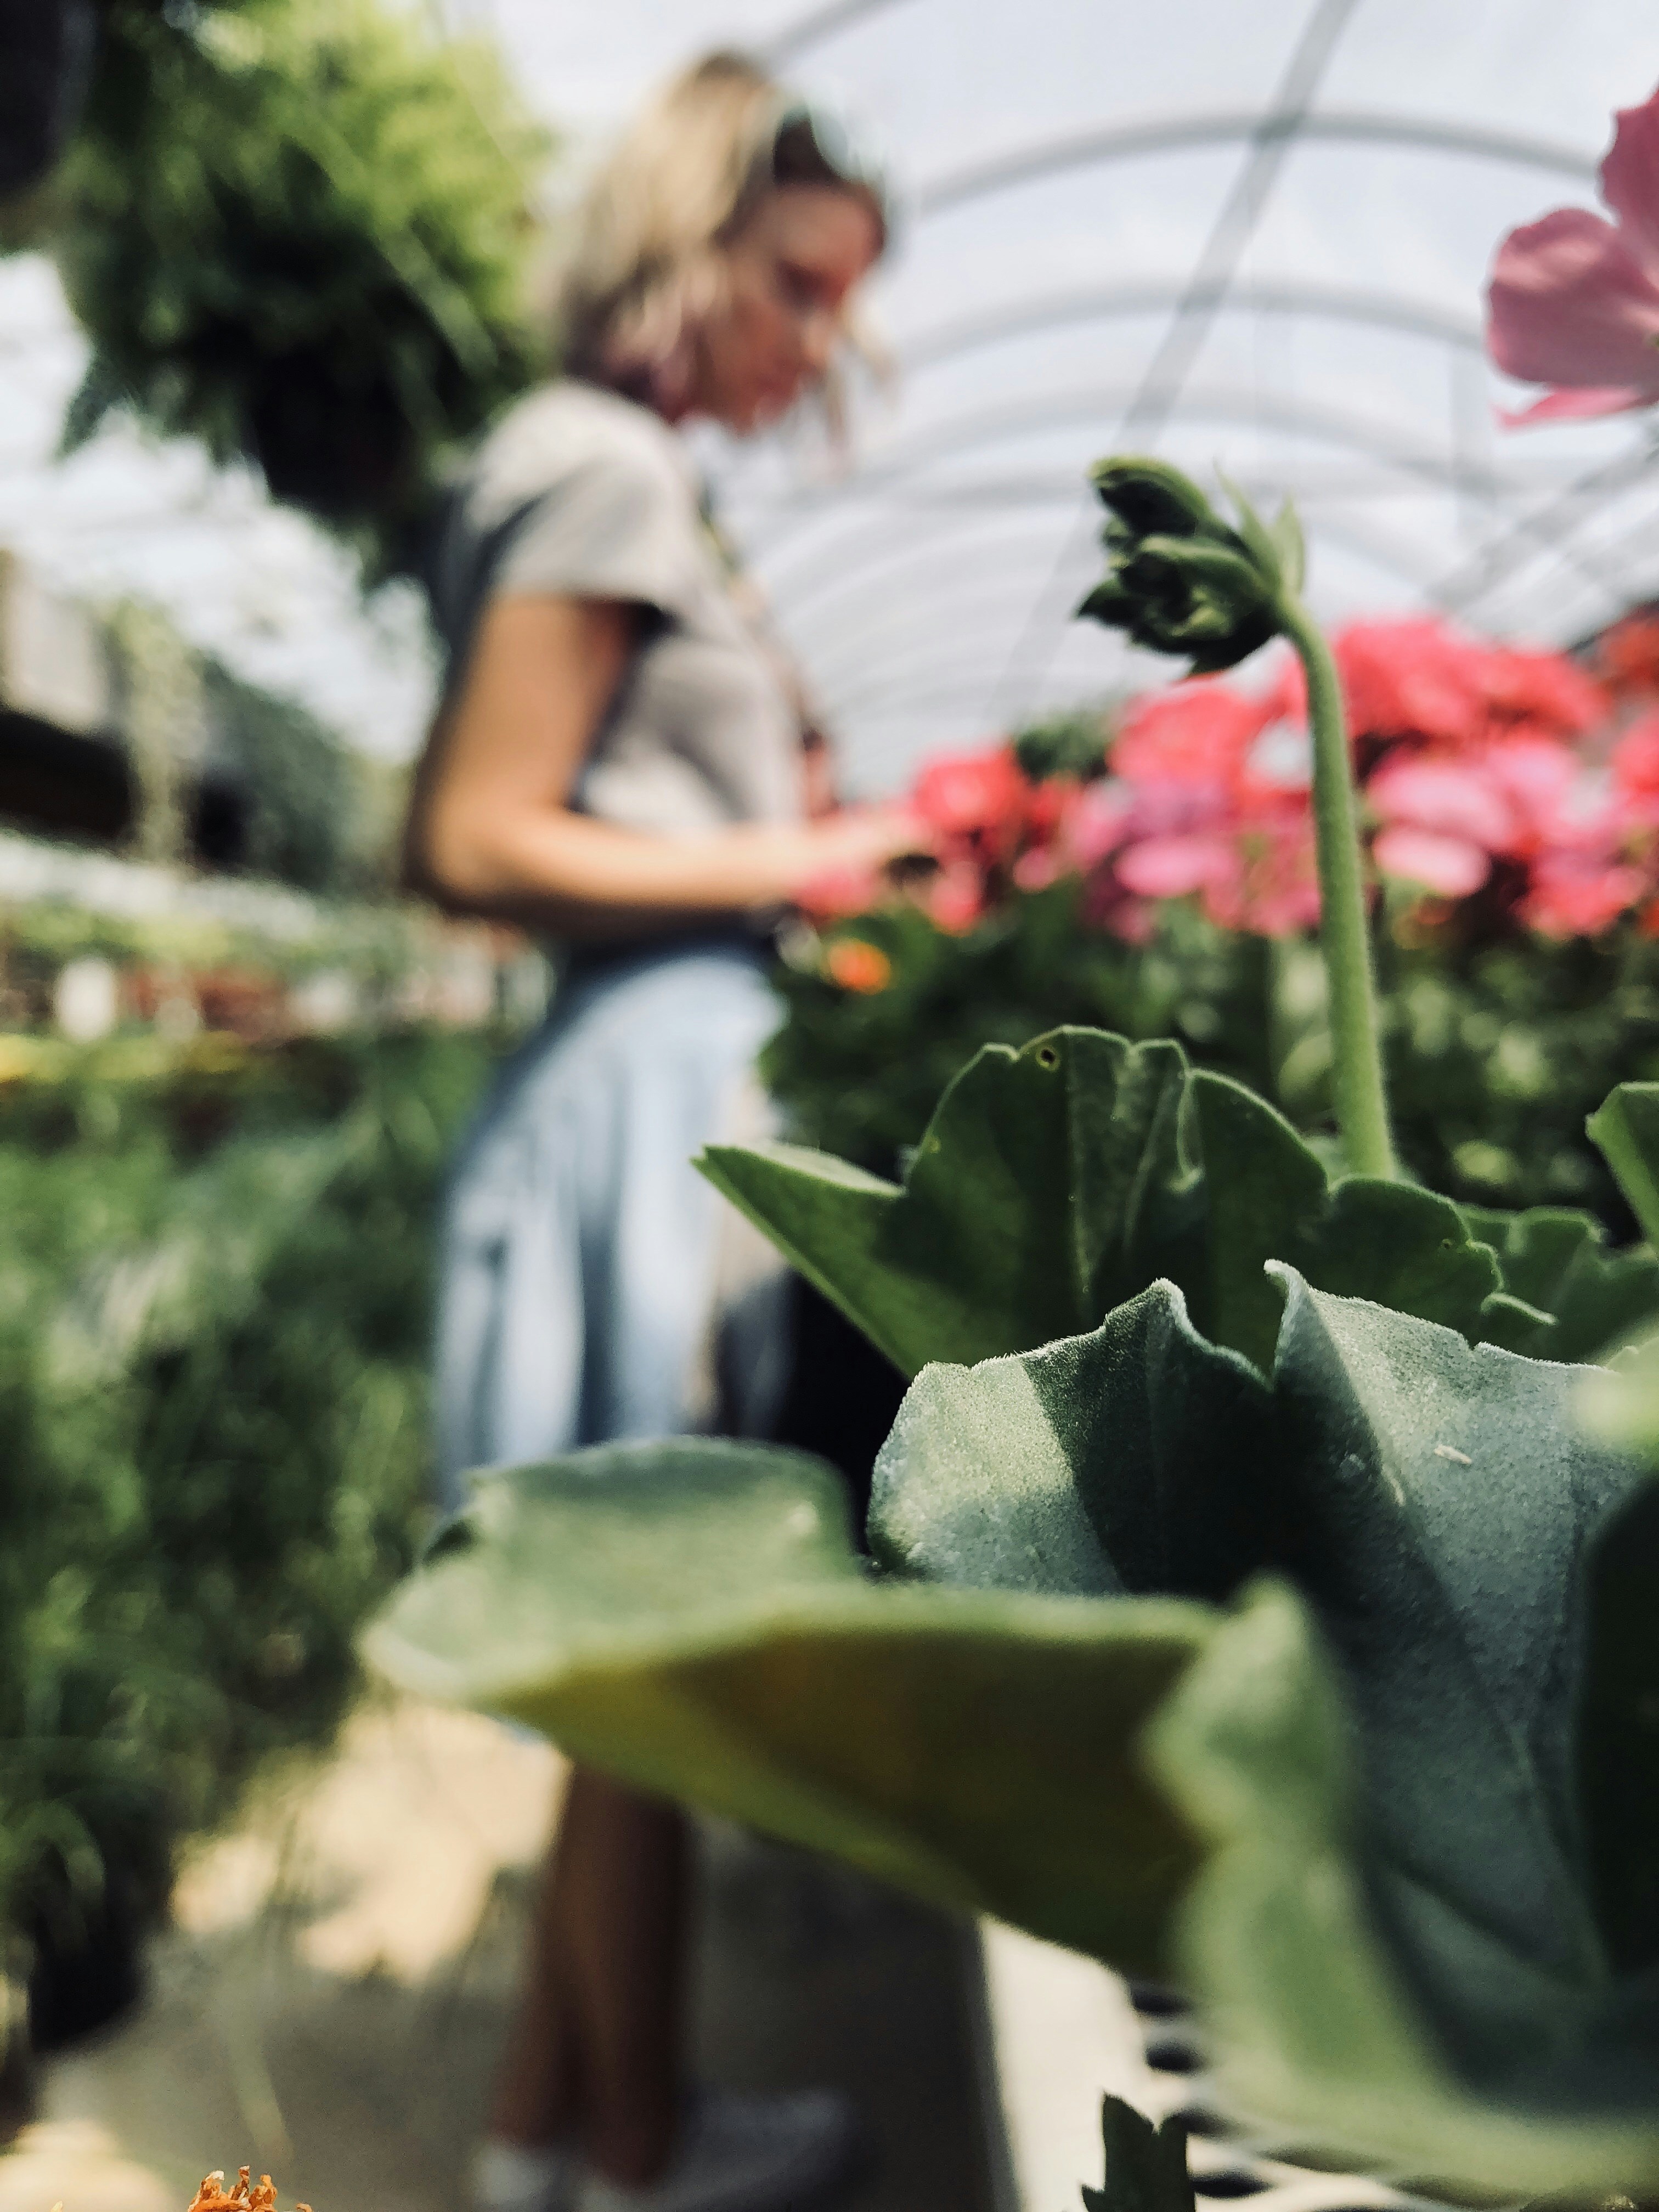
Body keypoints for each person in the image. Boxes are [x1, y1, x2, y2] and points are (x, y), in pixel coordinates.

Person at [402, 50, 918, 2212]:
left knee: (621, 1663)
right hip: (652, 1091)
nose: (823, 347)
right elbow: (475, 833)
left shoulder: (611, 469)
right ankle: (640, 2164)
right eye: (799, 288)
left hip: (649, 1073)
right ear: (695, 237)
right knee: (648, 1670)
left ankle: (544, 2139)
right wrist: (835, 855)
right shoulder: (603, 465)